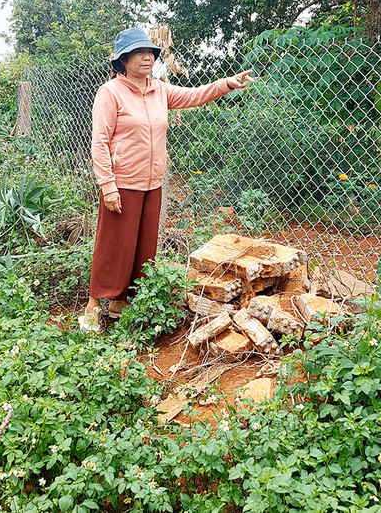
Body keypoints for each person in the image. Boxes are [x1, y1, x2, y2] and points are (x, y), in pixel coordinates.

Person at [81, 27, 253, 331]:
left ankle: (121, 303)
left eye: (150, 53)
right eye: (139, 53)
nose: (148, 57)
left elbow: (194, 95)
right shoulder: (111, 93)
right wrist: (107, 185)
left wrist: (227, 84)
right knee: (114, 246)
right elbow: (100, 142)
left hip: (152, 183)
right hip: (122, 184)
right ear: (123, 60)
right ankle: (94, 305)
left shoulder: (159, 89)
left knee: (143, 247)